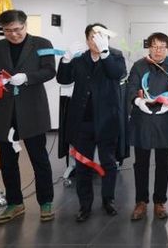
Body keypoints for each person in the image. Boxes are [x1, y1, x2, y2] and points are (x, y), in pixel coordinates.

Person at [0, 9, 56, 225]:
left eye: (17, 29)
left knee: (39, 160)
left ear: (25, 25)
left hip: (32, 111)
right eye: (8, 31)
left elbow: (50, 70)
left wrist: (27, 77)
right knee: (7, 163)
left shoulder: (42, 44)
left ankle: (46, 202)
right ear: (2, 30)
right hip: (4, 112)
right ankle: (14, 203)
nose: (13, 34)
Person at [56, 23, 127, 222]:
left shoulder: (115, 55)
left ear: (107, 39)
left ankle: (108, 200)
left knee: (108, 163)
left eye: (101, 37)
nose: (96, 41)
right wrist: (66, 59)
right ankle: (84, 205)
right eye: (93, 37)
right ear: (87, 40)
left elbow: (117, 74)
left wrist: (105, 53)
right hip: (82, 121)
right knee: (82, 165)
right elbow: (63, 79)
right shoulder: (80, 58)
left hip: (107, 120)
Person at [126, 32, 168, 221]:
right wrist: (137, 101)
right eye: (155, 46)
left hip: (164, 120)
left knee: (163, 163)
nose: (158, 50)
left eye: (162, 47)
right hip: (142, 119)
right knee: (140, 163)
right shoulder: (138, 66)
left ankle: (160, 202)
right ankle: (141, 202)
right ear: (149, 47)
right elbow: (131, 88)